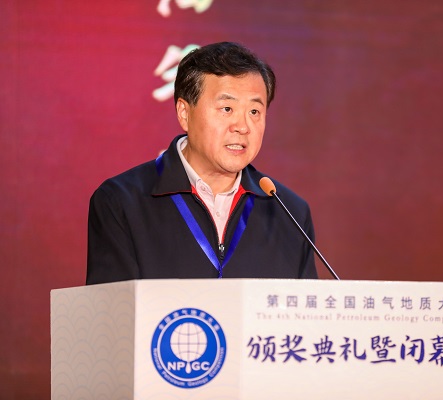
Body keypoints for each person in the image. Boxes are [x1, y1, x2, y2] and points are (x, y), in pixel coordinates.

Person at [86, 42, 318, 284]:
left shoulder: (289, 212)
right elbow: (113, 306)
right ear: (184, 113)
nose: (242, 127)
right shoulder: (122, 202)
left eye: (254, 112)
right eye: (227, 108)